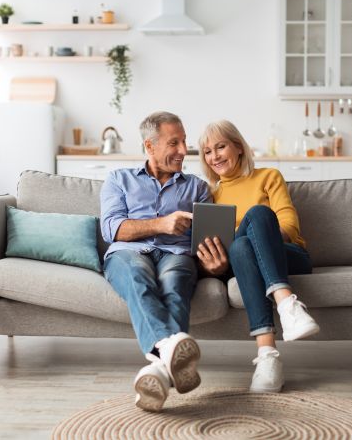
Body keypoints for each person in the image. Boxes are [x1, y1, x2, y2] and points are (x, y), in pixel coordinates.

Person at [196, 119, 320, 393]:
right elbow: (215, 245)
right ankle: (269, 357)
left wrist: (256, 233)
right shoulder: (209, 195)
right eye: (207, 151)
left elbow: (288, 225)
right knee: (240, 248)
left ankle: (287, 307)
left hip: (288, 255)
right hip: (240, 262)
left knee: (259, 214)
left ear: (238, 147)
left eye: (221, 147)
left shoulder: (268, 177)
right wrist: (215, 262)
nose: (214, 156)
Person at [100, 111, 211, 412]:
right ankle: (167, 348)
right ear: (149, 146)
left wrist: (215, 260)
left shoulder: (197, 187)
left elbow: (209, 237)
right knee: (138, 279)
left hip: (176, 254)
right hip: (128, 252)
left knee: (175, 284)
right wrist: (162, 224)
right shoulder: (118, 180)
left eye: (184, 141)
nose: (182, 150)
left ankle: (157, 372)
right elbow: (112, 228)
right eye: (173, 143)